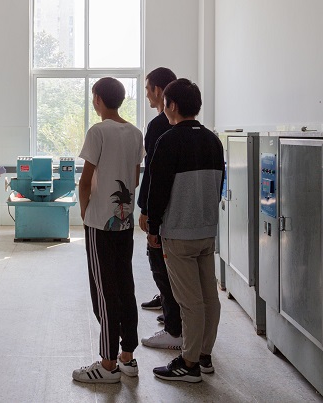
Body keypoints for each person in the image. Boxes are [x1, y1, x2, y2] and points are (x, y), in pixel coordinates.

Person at [147, 78, 224, 383]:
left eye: (165, 103)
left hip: (179, 233)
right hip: (207, 230)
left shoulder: (169, 140)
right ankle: (204, 355)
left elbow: (158, 190)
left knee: (189, 302)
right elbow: (218, 186)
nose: (164, 109)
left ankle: (189, 363)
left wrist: (153, 227)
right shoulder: (213, 140)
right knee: (209, 297)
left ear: (173, 105)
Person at [72, 77, 144, 384]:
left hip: (100, 223)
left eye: (93, 97)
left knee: (104, 292)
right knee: (125, 285)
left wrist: (85, 211)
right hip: (124, 222)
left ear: (99, 99)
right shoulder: (136, 133)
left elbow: (85, 180)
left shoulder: (98, 131)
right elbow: (135, 179)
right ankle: (127, 356)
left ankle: (107, 363)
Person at [137, 67, 183, 350]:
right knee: (172, 268)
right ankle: (169, 306)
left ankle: (174, 328)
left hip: (162, 207)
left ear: (158, 90)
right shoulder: (191, 130)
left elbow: (153, 173)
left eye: (147, 89)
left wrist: (145, 210)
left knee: (160, 263)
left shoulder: (158, 126)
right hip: (181, 207)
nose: (146, 95)